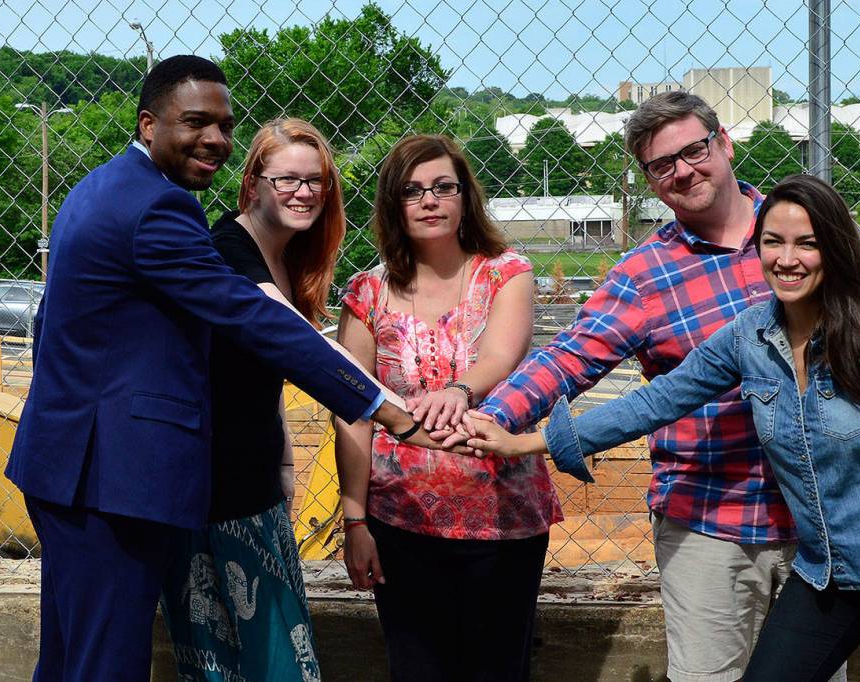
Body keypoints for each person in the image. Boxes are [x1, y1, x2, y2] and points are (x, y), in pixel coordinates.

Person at [5, 56, 442, 681]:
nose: (214, 139)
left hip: (69, 464)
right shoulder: (160, 208)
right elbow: (251, 317)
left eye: (224, 125)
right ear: (149, 123)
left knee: (73, 657)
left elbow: (53, 325)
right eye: (195, 123)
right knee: (105, 663)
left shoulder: (96, 188)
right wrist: (383, 407)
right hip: (111, 480)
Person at [462, 175, 860, 682]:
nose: (787, 260)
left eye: (806, 244)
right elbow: (661, 398)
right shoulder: (750, 335)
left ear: (834, 249)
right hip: (829, 568)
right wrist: (529, 440)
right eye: (772, 242)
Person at [450, 90, 807, 682]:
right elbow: (568, 357)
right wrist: (492, 413)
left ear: (725, 143)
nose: (683, 171)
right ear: (649, 179)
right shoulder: (646, 274)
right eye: (661, 165)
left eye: (694, 150)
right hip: (709, 520)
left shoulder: (797, 234)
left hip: (815, 511)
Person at [334, 134, 560, 681]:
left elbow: (501, 356)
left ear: (465, 198)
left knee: (498, 670)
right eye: (412, 191)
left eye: (443, 187)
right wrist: (355, 518)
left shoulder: (505, 272)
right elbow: (352, 410)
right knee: (417, 671)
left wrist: (459, 389)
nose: (429, 200)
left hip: (501, 520)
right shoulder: (367, 292)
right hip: (401, 519)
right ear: (393, 203)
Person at [158, 117, 349, 680]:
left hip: (252, 485)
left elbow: (261, 381)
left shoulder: (285, 259)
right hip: (215, 494)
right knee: (254, 665)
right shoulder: (227, 249)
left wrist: (285, 461)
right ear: (253, 184)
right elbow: (291, 342)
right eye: (286, 179)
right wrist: (387, 404)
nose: (303, 192)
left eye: (315, 182)